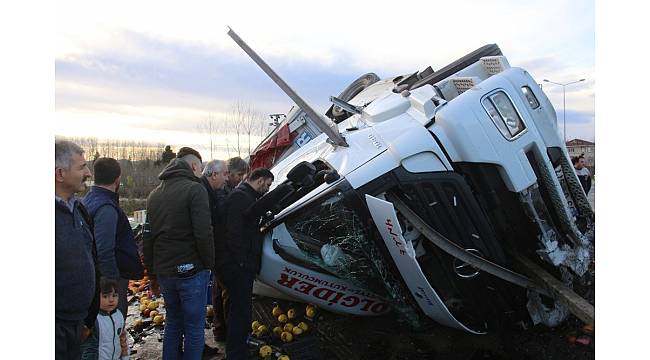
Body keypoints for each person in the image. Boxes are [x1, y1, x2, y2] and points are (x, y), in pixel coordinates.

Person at [144, 147, 214, 360]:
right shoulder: (195, 190)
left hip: (165, 272)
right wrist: (210, 264)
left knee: (173, 322)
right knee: (194, 328)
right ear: (194, 166)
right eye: (200, 168)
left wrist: (152, 272)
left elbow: (148, 237)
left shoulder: (154, 195)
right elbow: (204, 233)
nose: (201, 172)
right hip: (191, 270)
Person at [218, 168, 275, 360]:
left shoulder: (244, 197)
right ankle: (236, 353)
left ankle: (238, 347)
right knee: (239, 311)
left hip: (236, 263)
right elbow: (233, 234)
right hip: (236, 266)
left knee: (239, 309)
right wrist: (243, 261)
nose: (267, 189)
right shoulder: (240, 198)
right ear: (260, 180)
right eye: (267, 185)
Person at [82, 157, 144, 321]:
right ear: (118, 179)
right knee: (112, 326)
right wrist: (112, 286)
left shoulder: (89, 199)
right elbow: (104, 249)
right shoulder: (106, 208)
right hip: (110, 279)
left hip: (98, 276)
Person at [55, 140, 100, 360]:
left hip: (77, 324)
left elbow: (91, 258)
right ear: (60, 174)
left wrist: (88, 319)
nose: (89, 173)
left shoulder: (80, 209)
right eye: (82, 167)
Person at [199, 160, 230, 345]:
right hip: (207, 255)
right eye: (225, 174)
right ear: (214, 174)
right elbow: (205, 228)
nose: (226, 178)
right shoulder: (202, 193)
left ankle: (218, 333)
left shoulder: (209, 192)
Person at [80, 278, 129, 360]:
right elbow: (79, 340)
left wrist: (124, 356)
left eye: (114, 295)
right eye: (105, 296)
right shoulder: (92, 318)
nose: (111, 300)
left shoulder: (119, 315)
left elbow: (122, 338)